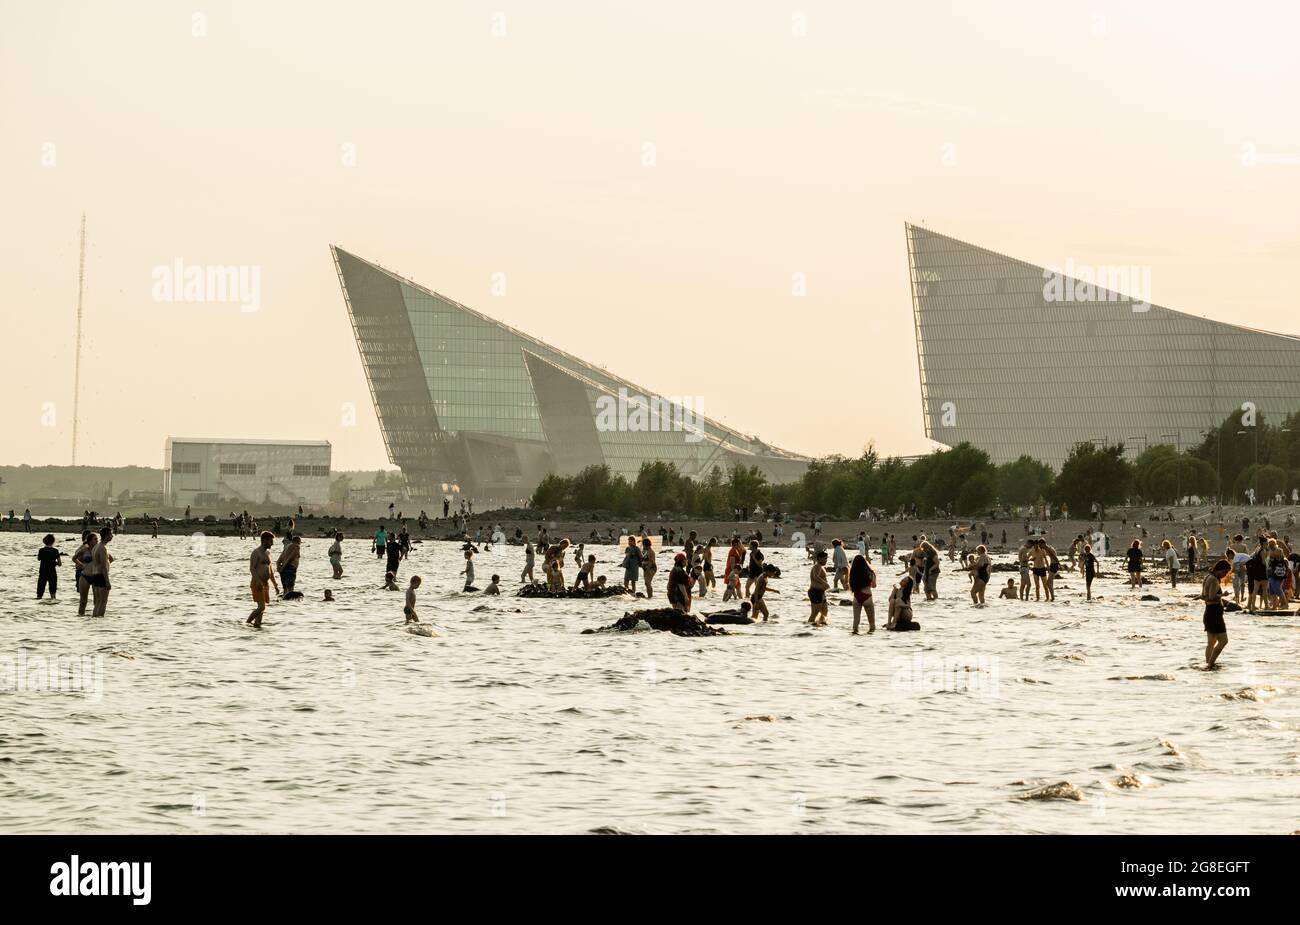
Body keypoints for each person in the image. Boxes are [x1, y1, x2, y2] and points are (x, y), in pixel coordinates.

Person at [1200, 559, 1231, 668]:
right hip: (1214, 614)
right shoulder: (1213, 580)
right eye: (1225, 572)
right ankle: (1211, 662)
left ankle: (1208, 665)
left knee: (1211, 643)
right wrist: (1223, 595)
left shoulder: (1208, 577)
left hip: (1209, 612)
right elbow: (1211, 596)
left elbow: (1204, 596)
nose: (1225, 575)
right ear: (1220, 569)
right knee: (1224, 641)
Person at [248, 531, 275, 628]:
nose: (272, 543)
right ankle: (247, 623)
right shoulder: (256, 552)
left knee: (262, 609)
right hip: (257, 582)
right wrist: (258, 581)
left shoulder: (267, 553)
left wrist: (275, 584)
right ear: (264, 540)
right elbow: (252, 568)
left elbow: (270, 570)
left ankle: (257, 626)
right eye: (271, 541)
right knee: (261, 607)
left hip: (265, 583)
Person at [86, 526, 114, 617]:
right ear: (106, 536)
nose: (112, 536)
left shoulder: (96, 546)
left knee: (98, 602)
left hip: (95, 575)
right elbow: (103, 567)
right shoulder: (102, 548)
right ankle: (100, 621)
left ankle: (95, 620)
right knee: (103, 602)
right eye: (111, 534)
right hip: (101, 576)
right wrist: (107, 581)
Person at [848, 554, 876, 634]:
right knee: (872, 624)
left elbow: (850, 585)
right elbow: (874, 586)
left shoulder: (853, 573)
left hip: (857, 597)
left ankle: (855, 641)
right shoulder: (870, 572)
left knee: (855, 623)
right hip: (867, 597)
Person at [72, 530, 97, 615]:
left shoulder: (98, 549)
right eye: (95, 539)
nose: (97, 541)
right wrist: (82, 565)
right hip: (84, 574)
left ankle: (95, 617)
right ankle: (81, 618)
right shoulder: (84, 549)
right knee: (83, 601)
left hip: (96, 575)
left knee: (96, 600)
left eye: (97, 539)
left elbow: (109, 558)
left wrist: (103, 568)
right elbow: (74, 558)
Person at [807, 550, 830, 626]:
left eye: (826, 558)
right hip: (815, 591)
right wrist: (825, 584)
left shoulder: (821, 567)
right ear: (819, 559)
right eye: (824, 558)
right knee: (815, 613)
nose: (826, 560)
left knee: (824, 611)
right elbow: (815, 576)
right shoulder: (817, 566)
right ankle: (809, 627)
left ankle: (820, 625)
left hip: (821, 592)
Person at [36, 533, 62, 600]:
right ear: (53, 541)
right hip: (52, 573)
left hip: (43, 572)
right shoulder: (55, 551)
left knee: (40, 592)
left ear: (44, 541)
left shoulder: (41, 550)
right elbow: (60, 564)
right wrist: (54, 563)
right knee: (53, 592)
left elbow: (38, 559)